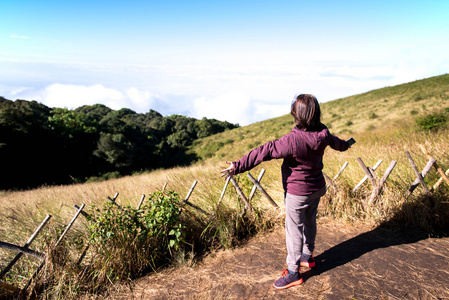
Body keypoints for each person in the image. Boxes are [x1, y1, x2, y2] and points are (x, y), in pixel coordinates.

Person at [220, 94, 352, 289]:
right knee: (310, 221)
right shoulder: (323, 133)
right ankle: (308, 256)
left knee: (293, 231)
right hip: (317, 188)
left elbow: (264, 151)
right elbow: (336, 142)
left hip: (297, 193)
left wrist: (238, 165)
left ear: (296, 115)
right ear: (316, 113)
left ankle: (293, 273)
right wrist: (347, 144)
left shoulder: (292, 140)